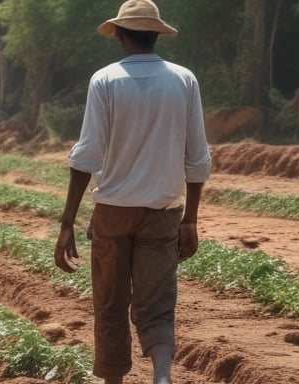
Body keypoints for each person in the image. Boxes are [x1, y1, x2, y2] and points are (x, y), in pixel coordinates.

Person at [53, 1, 212, 383]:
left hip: (112, 211)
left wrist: (67, 221)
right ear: (156, 35)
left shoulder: (105, 80)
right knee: (157, 306)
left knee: (110, 305)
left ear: (121, 36)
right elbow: (198, 159)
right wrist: (190, 219)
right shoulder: (183, 80)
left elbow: (86, 156)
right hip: (163, 213)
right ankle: (160, 376)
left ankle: (113, 380)